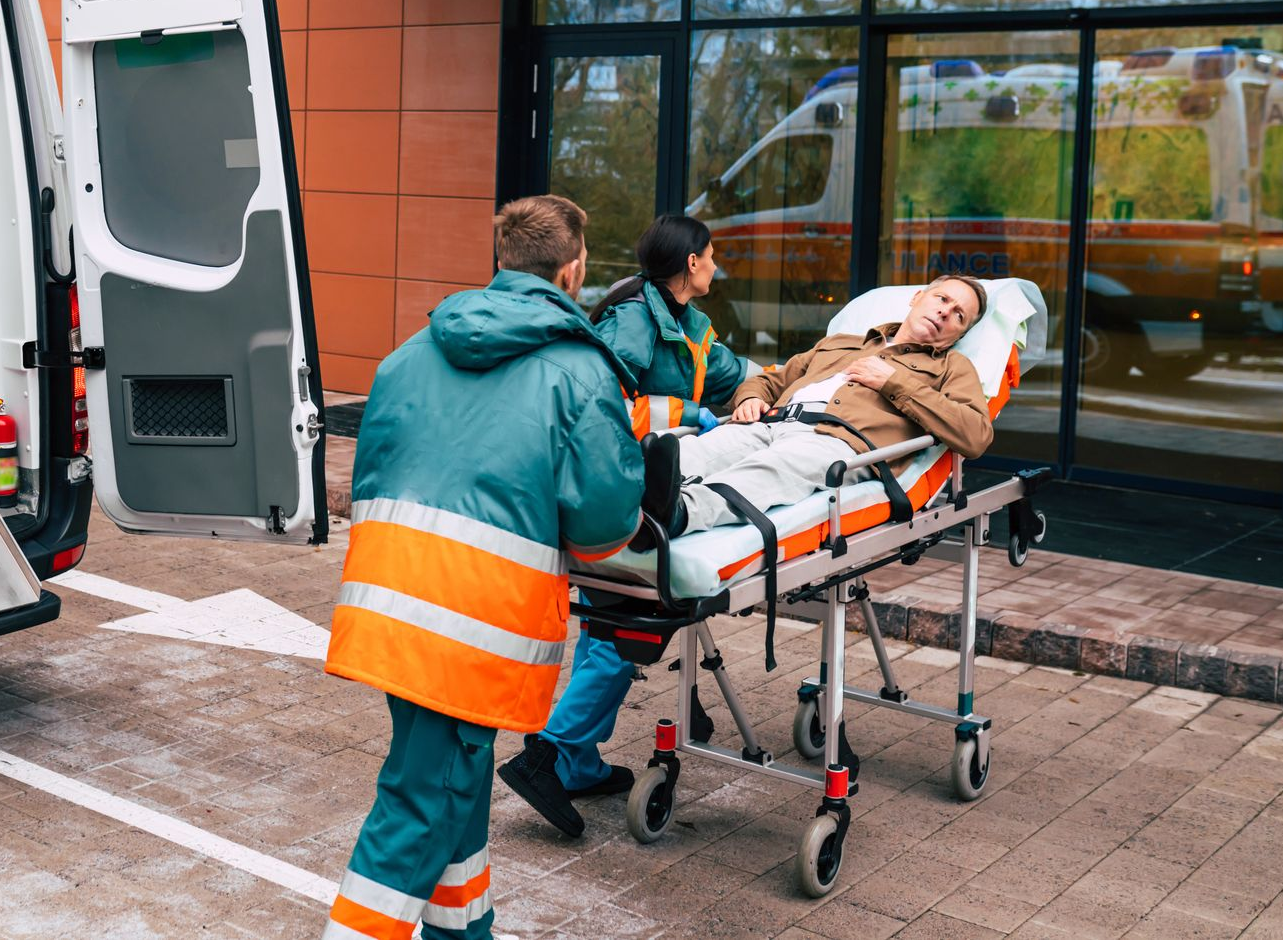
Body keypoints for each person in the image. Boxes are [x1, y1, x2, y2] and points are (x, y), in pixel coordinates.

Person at [322, 195, 645, 940]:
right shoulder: (579, 370)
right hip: (474, 622)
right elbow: (601, 529)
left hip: (392, 601)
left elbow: (374, 472)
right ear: (574, 270)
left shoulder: (411, 353)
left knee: (451, 787)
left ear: (501, 261)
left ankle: (464, 931)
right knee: (424, 802)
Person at [498, 214, 747, 838]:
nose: (717, 266)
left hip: (642, 485)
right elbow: (604, 402)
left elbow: (728, 371)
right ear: (691, 263)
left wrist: (780, 382)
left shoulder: (686, 322)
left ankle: (577, 762)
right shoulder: (633, 319)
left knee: (606, 623)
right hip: (611, 489)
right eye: (711, 255)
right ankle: (547, 755)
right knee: (628, 626)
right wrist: (689, 413)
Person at [643, 275, 993, 539]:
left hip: (835, 443)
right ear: (918, 297)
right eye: (942, 298)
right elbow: (771, 380)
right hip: (768, 424)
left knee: (769, 469)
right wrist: (750, 398)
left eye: (959, 315)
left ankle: (677, 514)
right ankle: (627, 496)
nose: (945, 312)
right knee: (692, 452)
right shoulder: (840, 343)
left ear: (959, 334)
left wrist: (893, 382)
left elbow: (975, 435)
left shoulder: (952, 368)